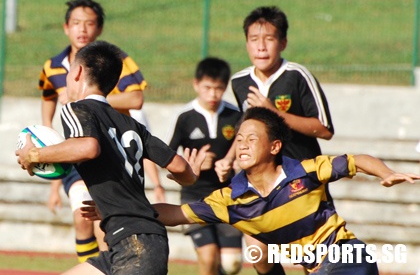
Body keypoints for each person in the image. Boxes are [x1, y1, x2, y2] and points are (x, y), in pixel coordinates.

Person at [147, 106, 419, 275]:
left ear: (275, 147)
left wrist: (387, 173)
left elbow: (356, 160)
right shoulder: (230, 199)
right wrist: (116, 210)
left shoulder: (306, 172)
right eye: (239, 139)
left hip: (348, 256)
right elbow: (174, 213)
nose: (242, 145)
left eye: (252, 139)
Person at [17, 40, 205, 275]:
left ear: (77, 72)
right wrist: (190, 177)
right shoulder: (132, 124)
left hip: (133, 245)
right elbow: (179, 166)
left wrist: (33, 155)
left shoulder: (77, 108)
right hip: (134, 243)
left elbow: (88, 147)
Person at [38, 0, 164, 262]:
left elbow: (135, 98)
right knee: (83, 217)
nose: (82, 29)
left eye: (89, 23)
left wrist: (92, 101)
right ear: (65, 27)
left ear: (99, 29)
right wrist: (48, 149)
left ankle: (114, 264)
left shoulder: (112, 60)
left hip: (110, 151)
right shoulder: (51, 66)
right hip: (74, 154)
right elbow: (47, 103)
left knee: (100, 222)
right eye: (76, 23)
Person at [215, 6, 335, 274]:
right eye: (254, 39)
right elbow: (248, 129)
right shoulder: (240, 81)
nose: (261, 47)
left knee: (313, 260)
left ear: (282, 42)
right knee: (259, 252)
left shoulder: (297, 76)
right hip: (261, 181)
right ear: (246, 42)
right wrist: (228, 158)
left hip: (302, 179)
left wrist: (275, 112)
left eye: (268, 39)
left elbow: (325, 129)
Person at [167, 57, 243, 275]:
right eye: (207, 88)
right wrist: (191, 166)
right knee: (208, 255)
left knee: (232, 264)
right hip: (194, 196)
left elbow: (245, 149)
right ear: (196, 85)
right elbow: (169, 158)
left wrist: (233, 163)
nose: (213, 95)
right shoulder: (185, 117)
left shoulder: (235, 116)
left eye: (218, 89)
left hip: (229, 196)